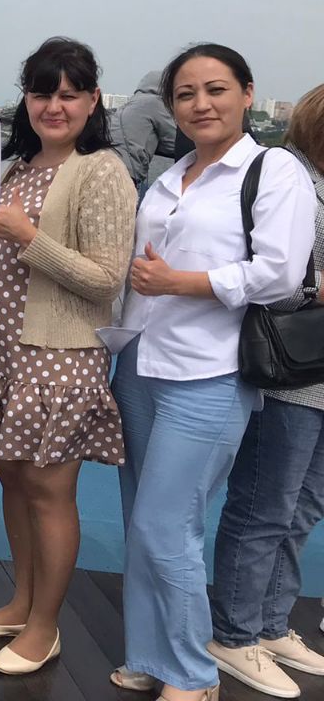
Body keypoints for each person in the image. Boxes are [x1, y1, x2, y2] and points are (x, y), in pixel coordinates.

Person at [108, 44, 314, 701]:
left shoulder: (272, 169)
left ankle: (193, 675)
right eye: (186, 93)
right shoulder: (173, 176)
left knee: (167, 524)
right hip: (140, 363)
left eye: (216, 89)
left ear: (247, 93)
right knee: (140, 518)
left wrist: (182, 282)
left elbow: (280, 274)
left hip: (210, 372)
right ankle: (151, 652)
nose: (200, 103)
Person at [0, 38, 136, 675]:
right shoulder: (16, 169)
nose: (53, 106)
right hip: (4, 352)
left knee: (50, 489)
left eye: (68, 94)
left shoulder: (100, 170)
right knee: (13, 479)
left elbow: (107, 279)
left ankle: (46, 625)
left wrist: (31, 237)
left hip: (59, 356)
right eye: (41, 93)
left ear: (92, 100)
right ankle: (21, 602)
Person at [208, 84, 324, 699]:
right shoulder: (288, 177)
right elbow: (269, 278)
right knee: (263, 506)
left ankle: (271, 623)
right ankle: (234, 632)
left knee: (303, 507)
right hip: (289, 374)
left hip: (317, 375)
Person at [110, 70, 179, 189]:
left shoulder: (134, 102)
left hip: (110, 165)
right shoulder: (155, 103)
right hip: (125, 173)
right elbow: (175, 141)